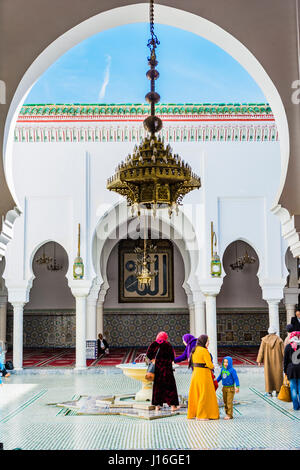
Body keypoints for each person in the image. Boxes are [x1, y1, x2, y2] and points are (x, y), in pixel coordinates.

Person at [187, 334, 219, 421]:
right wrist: (212, 366)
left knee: (196, 394)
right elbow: (210, 365)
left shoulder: (194, 349)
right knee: (204, 394)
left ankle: (193, 414)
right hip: (204, 375)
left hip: (195, 374)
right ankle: (201, 415)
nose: (208, 343)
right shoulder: (204, 351)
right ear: (204, 342)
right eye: (208, 341)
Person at [146, 331, 179, 412]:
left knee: (158, 387)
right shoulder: (168, 345)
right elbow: (172, 356)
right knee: (170, 387)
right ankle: (172, 406)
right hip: (167, 369)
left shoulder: (153, 344)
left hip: (157, 369)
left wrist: (153, 359)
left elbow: (148, 354)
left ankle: (157, 406)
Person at [256, 326, 284, 397]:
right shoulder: (279, 340)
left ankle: (269, 392)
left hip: (268, 362)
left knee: (269, 376)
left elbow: (261, 351)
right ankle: (278, 392)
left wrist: (259, 361)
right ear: (275, 332)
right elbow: (284, 352)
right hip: (278, 362)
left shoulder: (264, 340)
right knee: (278, 376)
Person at [283, 331, 300, 411]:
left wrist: (285, 371)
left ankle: (296, 407)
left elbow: (285, 360)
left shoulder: (288, 347)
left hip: (291, 369)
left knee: (293, 388)